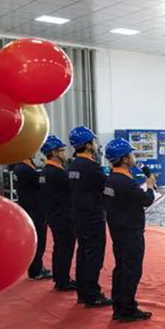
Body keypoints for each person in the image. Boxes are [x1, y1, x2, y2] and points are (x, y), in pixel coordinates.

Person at [103, 138, 156, 322]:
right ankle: (127, 308)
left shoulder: (111, 179)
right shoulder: (125, 182)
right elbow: (146, 200)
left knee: (121, 267)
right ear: (125, 159)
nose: (134, 157)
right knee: (131, 270)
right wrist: (150, 186)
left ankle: (118, 305)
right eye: (131, 154)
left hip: (118, 230)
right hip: (130, 231)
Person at [68, 126, 112, 307]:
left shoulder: (73, 165)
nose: (95, 144)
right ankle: (93, 295)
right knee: (94, 256)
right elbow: (106, 187)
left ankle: (83, 292)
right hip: (93, 216)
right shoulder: (92, 167)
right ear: (87, 145)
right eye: (93, 141)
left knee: (83, 254)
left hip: (79, 215)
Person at [40, 136, 77, 291]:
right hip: (63, 216)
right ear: (54, 152)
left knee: (59, 248)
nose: (64, 153)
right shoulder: (57, 173)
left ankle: (60, 278)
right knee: (65, 249)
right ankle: (63, 281)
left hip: (54, 214)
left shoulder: (45, 171)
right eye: (62, 150)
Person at [13, 155, 52, 281]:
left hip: (28, 207)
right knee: (39, 240)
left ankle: (35, 267)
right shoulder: (25, 170)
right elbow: (41, 183)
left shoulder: (19, 167)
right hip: (35, 209)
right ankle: (36, 270)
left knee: (36, 240)